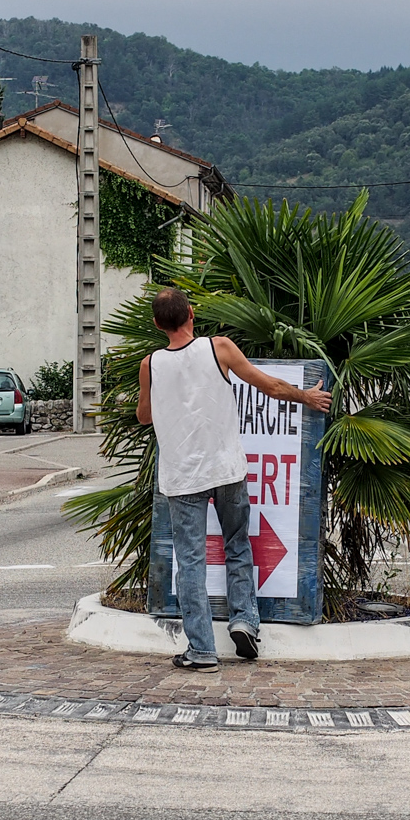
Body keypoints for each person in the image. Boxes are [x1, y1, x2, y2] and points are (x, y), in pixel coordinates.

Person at [136, 288, 331, 671]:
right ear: (192, 314)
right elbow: (269, 386)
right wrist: (306, 398)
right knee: (238, 545)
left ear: (158, 324)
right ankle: (244, 620)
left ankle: (202, 651)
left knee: (190, 563)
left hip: (182, 478)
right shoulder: (219, 348)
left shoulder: (150, 364)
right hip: (227, 471)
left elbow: (144, 416)